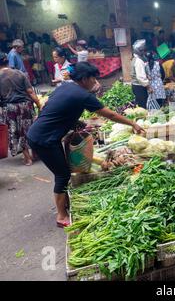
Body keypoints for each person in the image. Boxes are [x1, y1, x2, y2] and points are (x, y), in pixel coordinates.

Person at [27, 62, 144, 228]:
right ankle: (61, 216)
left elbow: (52, 108)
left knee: (62, 172)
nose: (95, 81)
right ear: (84, 79)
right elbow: (109, 114)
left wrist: (75, 122)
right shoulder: (83, 95)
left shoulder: (65, 87)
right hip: (44, 140)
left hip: (38, 133)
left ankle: (65, 203)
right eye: (93, 78)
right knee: (62, 175)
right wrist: (133, 124)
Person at [0, 52, 41, 165]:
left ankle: (27, 158)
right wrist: (39, 105)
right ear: (7, 61)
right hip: (26, 106)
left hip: (10, 109)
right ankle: (35, 153)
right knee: (29, 130)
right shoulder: (19, 73)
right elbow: (30, 92)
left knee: (18, 133)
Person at [131, 39, 151, 108]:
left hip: (136, 85)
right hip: (139, 86)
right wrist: (149, 87)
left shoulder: (136, 59)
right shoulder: (139, 61)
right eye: (142, 50)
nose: (144, 52)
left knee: (140, 103)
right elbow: (141, 77)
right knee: (143, 105)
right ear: (139, 51)